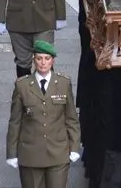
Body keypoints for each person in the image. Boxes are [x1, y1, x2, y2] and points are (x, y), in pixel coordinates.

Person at [5, 41, 80, 188]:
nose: (43, 63)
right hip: (31, 154)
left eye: (47, 58)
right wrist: (11, 152)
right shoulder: (22, 86)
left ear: (53, 61)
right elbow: (15, 121)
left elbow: (71, 118)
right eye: (39, 58)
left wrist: (75, 146)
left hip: (58, 153)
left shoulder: (63, 83)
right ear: (34, 60)